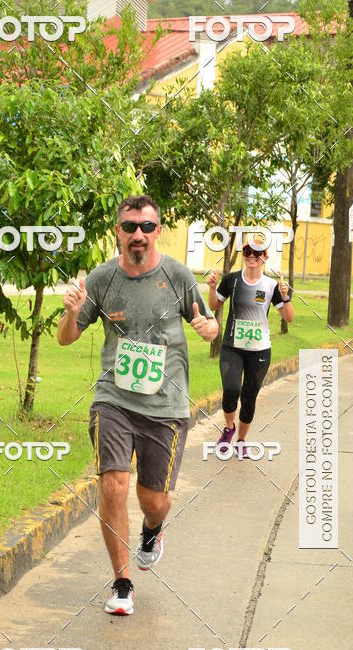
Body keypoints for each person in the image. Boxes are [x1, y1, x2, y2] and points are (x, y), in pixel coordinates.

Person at [57, 195, 218, 615]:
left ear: (158, 231)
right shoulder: (103, 278)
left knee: (154, 499)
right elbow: (66, 337)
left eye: (146, 227)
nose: (138, 235)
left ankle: (152, 529)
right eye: (130, 226)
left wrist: (208, 327)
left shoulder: (178, 275)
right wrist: (71, 313)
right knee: (113, 483)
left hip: (166, 405)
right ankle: (122, 583)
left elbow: (209, 322)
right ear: (118, 231)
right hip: (114, 398)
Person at [206, 241, 293, 456]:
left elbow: (288, 317)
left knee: (248, 397)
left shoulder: (271, 286)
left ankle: (242, 440)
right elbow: (214, 306)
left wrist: (285, 296)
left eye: (257, 253)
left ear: (265, 257)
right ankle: (229, 427)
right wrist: (211, 287)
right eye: (247, 252)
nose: (251, 256)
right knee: (231, 390)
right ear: (243, 254)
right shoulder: (232, 280)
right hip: (232, 346)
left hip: (260, 351)